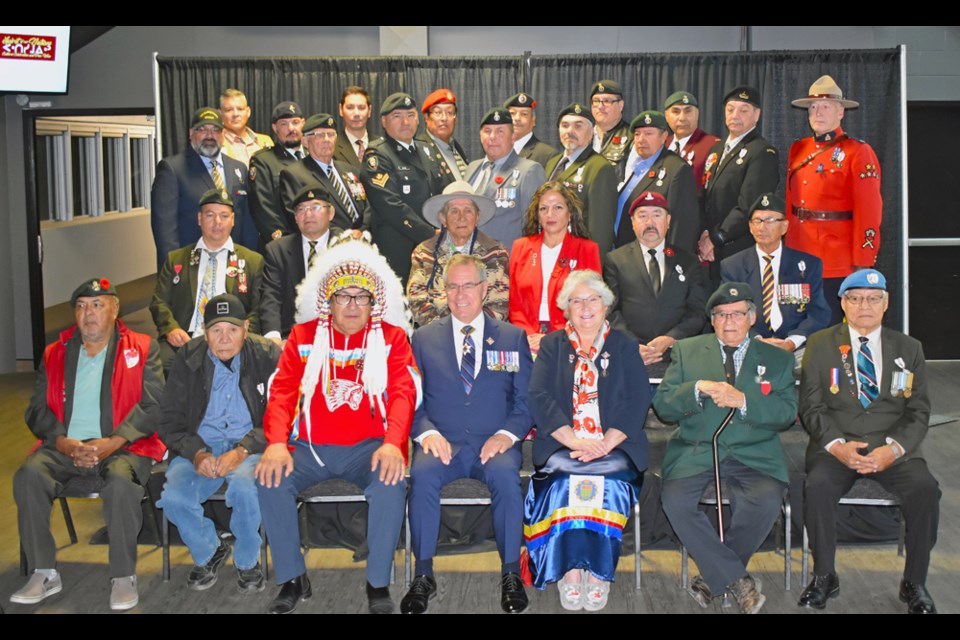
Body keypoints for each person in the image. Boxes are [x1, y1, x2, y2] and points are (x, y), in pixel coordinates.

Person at [256, 234, 419, 615]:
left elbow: (402, 393)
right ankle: (293, 577)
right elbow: (281, 393)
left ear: (373, 303)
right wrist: (276, 443)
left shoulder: (392, 339)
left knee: (391, 483)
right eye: (342, 296)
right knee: (270, 478)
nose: (352, 305)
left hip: (370, 447)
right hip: (310, 447)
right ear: (328, 301)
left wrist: (394, 442)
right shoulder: (302, 336)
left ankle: (378, 582)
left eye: (361, 297)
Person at [11, 278, 165, 611]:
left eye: (97, 305)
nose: (88, 313)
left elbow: (154, 405)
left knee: (122, 485)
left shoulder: (141, 347)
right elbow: (36, 410)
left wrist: (114, 441)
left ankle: (123, 576)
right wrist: (63, 442)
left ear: (115, 309)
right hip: (64, 447)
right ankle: (44, 570)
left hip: (123, 446)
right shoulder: (56, 353)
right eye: (80, 306)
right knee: (28, 476)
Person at [798, 269, 939, 614]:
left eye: (874, 298)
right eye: (856, 298)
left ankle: (915, 582)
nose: (865, 305)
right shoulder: (820, 344)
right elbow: (811, 406)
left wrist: (893, 450)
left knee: (925, 490)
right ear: (842, 303)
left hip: (892, 450)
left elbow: (918, 411)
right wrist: (836, 446)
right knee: (816, 488)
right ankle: (824, 576)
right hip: (835, 447)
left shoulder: (910, 348)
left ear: (886, 302)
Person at [653, 282, 797, 614]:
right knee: (675, 502)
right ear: (712, 319)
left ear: (752, 317)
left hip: (755, 453)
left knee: (765, 502)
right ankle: (738, 579)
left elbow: (786, 412)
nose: (729, 322)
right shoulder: (687, 350)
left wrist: (745, 401)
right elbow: (663, 406)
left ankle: (712, 578)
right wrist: (696, 388)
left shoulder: (777, 359)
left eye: (737, 314)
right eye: (720, 315)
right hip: (696, 450)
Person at [403, 254, 533, 614]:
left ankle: (510, 573)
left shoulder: (511, 336)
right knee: (422, 476)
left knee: (508, 478)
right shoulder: (424, 338)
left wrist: (508, 434)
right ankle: (423, 573)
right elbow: (409, 399)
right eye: (453, 286)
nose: (461, 294)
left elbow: (526, 401)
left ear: (485, 288)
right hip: (441, 441)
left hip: (494, 442)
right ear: (444, 291)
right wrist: (425, 432)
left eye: (469, 285)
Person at [524, 270, 650, 611]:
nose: (584, 307)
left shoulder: (624, 344)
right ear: (565, 309)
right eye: (575, 301)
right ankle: (570, 571)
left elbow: (637, 398)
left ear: (605, 305)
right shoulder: (552, 345)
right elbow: (539, 396)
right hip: (565, 444)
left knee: (605, 481)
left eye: (592, 299)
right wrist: (574, 440)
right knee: (567, 480)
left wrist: (605, 444)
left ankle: (598, 574)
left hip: (615, 445)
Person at [157, 294, 281, 594]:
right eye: (216, 331)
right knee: (174, 497)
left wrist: (243, 450)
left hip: (251, 445)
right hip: (201, 445)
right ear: (204, 330)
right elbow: (168, 420)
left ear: (247, 327)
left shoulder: (267, 355)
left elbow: (282, 416)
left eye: (233, 330)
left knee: (246, 487)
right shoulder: (187, 358)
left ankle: (247, 560)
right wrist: (196, 453)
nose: (224, 339)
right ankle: (209, 550)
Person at [785, 75, 883, 325]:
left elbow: (869, 210)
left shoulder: (858, 151)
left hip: (835, 257)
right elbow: (790, 202)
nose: (817, 112)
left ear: (841, 112)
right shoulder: (798, 149)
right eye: (813, 107)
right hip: (798, 251)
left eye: (826, 106)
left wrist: (863, 260)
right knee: (796, 322)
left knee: (829, 327)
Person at [150, 188, 263, 373]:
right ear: (199, 219)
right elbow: (159, 302)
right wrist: (171, 329)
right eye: (210, 215)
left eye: (224, 216)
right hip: (185, 339)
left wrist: (241, 335)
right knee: (157, 365)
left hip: (231, 339)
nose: (217, 222)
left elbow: (258, 308)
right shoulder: (176, 259)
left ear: (233, 220)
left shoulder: (252, 261)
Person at [604, 191, 706, 377]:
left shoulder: (688, 261)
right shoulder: (615, 261)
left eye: (657, 215)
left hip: (677, 356)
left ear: (668, 221)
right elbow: (611, 311)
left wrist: (670, 338)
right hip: (629, 354)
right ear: (633, 223)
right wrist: (633, 345)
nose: (650, 223)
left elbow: (697, 312)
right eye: (642, 216)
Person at [721, 193, 831, 356]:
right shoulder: (733, 266)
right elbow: (728, 313)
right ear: (750, 227)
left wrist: (792, 342)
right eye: (757, 221)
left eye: (770, 220)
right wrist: (756, 339)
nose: (762, 227)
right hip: (749, 346)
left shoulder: (807, 265)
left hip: (798, 347)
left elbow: (819, 313)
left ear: (785, 226)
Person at [362, 92, 452, 284]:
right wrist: (428, 233)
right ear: (384, 121)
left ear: (418, 119)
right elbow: (390, 205)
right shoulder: (378, 155)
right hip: (397, 249)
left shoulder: (427, 149)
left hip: (433, 248)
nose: (405, 122)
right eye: (397, 116)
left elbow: (445, 191)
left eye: (410, 115)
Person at [150, 107, 252, 269]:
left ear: (223, 134)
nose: (210, 136)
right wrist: (174, 272)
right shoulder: (173, 169)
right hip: (191, 265)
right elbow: (165, 230)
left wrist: (248, 264)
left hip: (232, 265)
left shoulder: (238, 168)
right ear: (191, 133)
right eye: (202, 130)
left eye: (215, 130)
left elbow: (246, 221)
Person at [699, 86, 780, 288]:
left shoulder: (762, 151)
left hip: (739, 247)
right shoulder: (717, 149)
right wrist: (704, 233)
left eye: (743, 110)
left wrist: (716, 238)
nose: (735, 115)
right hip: (712, 246)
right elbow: (706, 195)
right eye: (730, 109)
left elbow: (750, 205)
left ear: (757, 115)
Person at [508, 181, 601, 355]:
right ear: (537, 215)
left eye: (558, 207)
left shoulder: (587, 249)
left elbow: (591, 305)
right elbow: (514, 303)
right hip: (525, 338)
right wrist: (526, 335)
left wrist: (555, 336)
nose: (550, 214)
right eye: (543, 209)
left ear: (570, 213)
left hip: (570, 338)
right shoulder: (521, 247)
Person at [407, 182, 509, 327]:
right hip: (436, 333)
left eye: (468, 210)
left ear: (477, 216)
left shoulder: (496, 252)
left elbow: (500, 302)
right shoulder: (424, 252)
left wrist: (474, 329)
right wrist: (445, 331)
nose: (462, 217)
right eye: (454, 211)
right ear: (443, 218)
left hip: (483, 334)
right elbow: (416, 300)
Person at [261, 183, 340, 343]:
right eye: (301, 210)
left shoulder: (347, 246)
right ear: (296, 218)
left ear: (330, 213)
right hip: (292, 336)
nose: (308, 214)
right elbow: (271, 297)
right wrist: (273, 337)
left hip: (340, 333)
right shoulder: (277, 250)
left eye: (315, 207)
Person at [614, 110, 699, 253]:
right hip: (624, 253)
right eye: (637, 134)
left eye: (648, 134)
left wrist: (672, 263)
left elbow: (682, 226)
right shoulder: (636, 166)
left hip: (652, 257)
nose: (641, 140)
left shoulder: (676, 169)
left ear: (664, 136)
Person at [544, 103, 619, 258]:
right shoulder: (552, 163)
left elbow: (601, 229)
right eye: (565, 126)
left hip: (578, 256)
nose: (570, 131)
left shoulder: (599, 167)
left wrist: (593, 266)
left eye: (578, 126)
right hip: (550, 251)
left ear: (591, 133)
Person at [465, 106, 546, 248]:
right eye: (487, 131)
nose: (492, 137)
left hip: (506, 262)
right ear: (480, 136)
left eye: (500, 131)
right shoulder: (472, 167)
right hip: (468, 260)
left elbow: (534, 227)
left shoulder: (529, 171)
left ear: (513, 137)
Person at [279, 113, 370, 232]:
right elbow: (298, 218)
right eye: (320, 135)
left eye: (331, 134)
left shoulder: (350, 170)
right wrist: (343, 237)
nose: (327, 140)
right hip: (328, 244)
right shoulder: (294, 174)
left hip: (363, 241)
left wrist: (362, 231)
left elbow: (368, 206)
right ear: (305, 141)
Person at [248, 101, 307, 244]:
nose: (291, 128)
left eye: (295, 122)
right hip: (285, 244)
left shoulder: (315, 157)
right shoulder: (263, 161)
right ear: (275, 128)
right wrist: (284, 241)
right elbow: (263, 208)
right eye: (284, 124)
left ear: (303, 123)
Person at [662, 91, 720, 198]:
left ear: (697, 114)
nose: (682, 118)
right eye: (676, 112)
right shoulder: (662, 144)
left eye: (688, 111)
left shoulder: (713, 145)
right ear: (666, 116)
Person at [416, 88, 470, 181]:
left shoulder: (454, 146)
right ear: (426, 117)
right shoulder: (419, 149)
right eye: (438, 112)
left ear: (455, 118)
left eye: (449, 112)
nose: (444, 118)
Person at [220, 88, 273, 167]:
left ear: (248, 112)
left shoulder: (266, 141)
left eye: (240, 109)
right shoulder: (217, 143)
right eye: (229, 110)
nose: (235, 114)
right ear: (220, 114)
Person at [504, 91, 558, 168]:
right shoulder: (497, 149)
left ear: (533, 121)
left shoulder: (548, 155)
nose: (517, 118)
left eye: (524, 114)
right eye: (512, 113)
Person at [590, 80, 631, 181]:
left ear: (621, 105)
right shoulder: (583, 136)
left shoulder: (633, 137)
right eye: (596, 101)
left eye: (607, 101)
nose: (600, 106)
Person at [334, 86, 372, 166]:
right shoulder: (332, 146)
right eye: (350, 108)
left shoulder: (383, 146)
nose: (356, 113)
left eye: (361, 108)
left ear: (369, 111)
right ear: (341, 110)